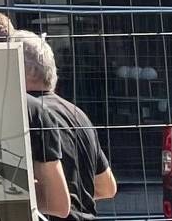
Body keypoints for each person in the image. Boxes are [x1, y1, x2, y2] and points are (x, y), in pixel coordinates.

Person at [14, 30, 116, 221]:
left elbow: (56, 203)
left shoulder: (26, 113)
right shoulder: (78, 114)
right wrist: (75, 196)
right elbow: (106, 187)